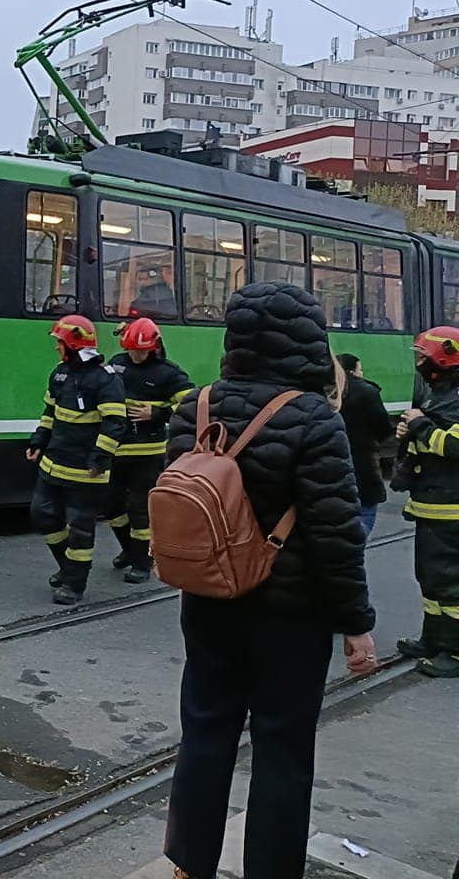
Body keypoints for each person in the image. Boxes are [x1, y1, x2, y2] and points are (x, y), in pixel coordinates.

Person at [163, 282, 376, 879]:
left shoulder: (195, 406)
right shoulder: (314, 418)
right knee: (283, 750)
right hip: (290, 615)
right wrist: (356, 624)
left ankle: (188, 864)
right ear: (310, 341)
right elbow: (336, 535)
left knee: (204, 732)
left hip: (207, 600)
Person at [27, 314, 128, 605]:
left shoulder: (105, 380)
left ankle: (74, 584)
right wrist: (38, 441)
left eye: (60, 342)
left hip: (86, 472)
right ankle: (68, 567)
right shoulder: (59, 374)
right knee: (42, 514)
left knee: (80, 530)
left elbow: (115, 423)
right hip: (53, 465)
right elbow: (49, 413)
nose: (57, 347)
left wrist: (100, 459)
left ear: (73, 343)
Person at [104, 318, 193, 583]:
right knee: (111, 506)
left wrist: (158, 412)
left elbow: (190, 404)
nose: (135, 355)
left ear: (153, 347)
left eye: (140, 351)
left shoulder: (169, 373)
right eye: (131, 350)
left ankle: (142, 562)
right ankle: (130, 549)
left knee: (140, 508)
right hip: (116, 448)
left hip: (148, 453)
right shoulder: (117, 364)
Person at [394, 327, 459, 678]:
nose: (418, 363)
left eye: (423, 356)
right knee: (431, 581)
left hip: (453, 512)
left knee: (453, 584)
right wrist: (407, 434)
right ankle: (434, 639)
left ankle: (457, 651)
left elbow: (454, 446)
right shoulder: (439, 395)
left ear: (444, 357)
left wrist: (419, 427)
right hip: (430, 509)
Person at [336, 353, 392, 541]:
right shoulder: (367, 392)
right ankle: (353, 547)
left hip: (332, 462)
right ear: (353, 371)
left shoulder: (325, 391)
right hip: (363, 463)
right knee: (366, 512)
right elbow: (383, 428)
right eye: (361, 369)